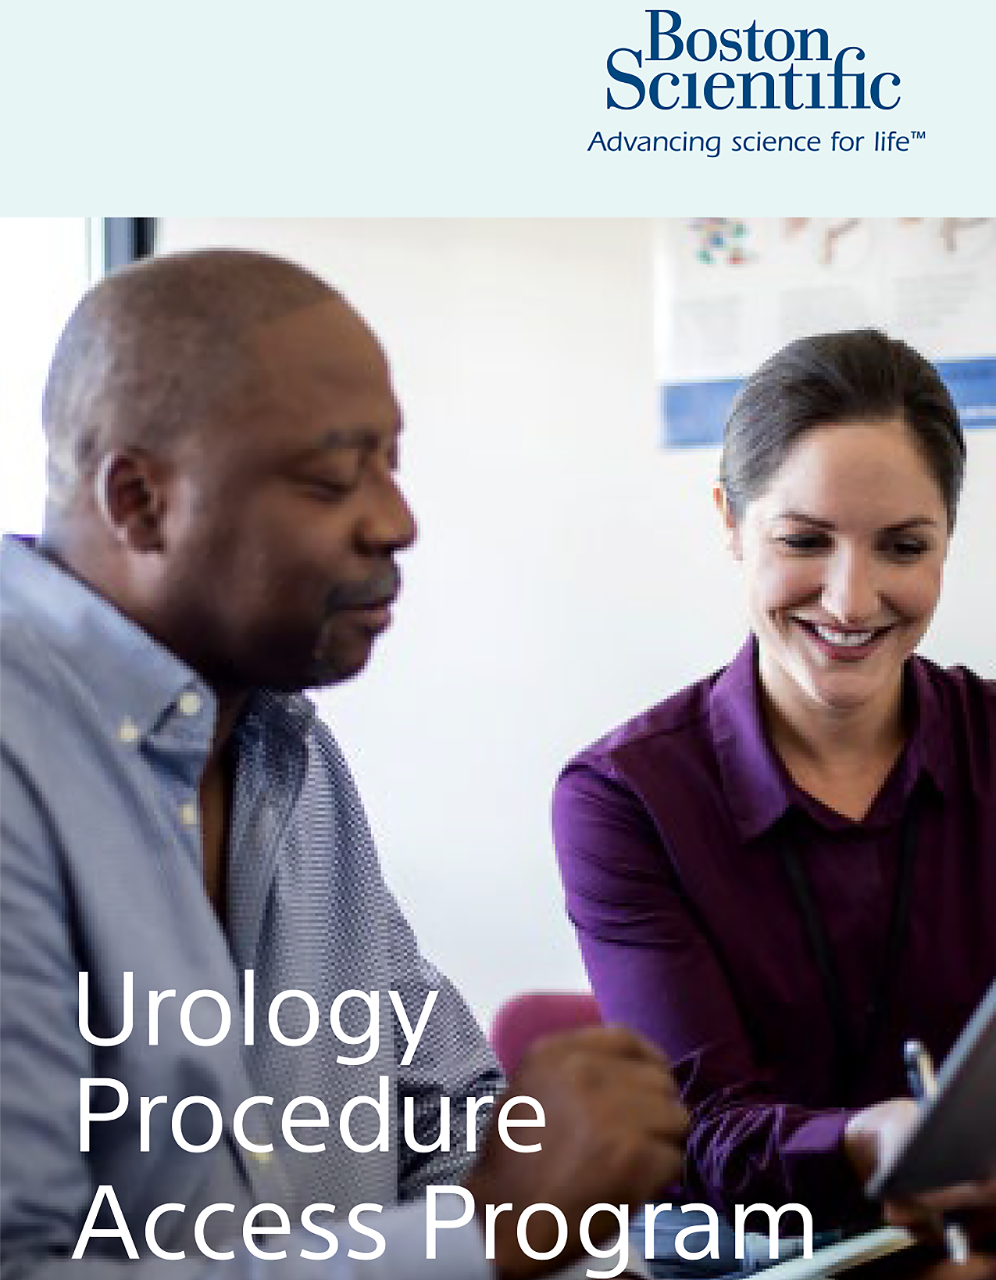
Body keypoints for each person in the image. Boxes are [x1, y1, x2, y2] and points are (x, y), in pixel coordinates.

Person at [0, 246, 688, 1277]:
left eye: (390, 463)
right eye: (331, 479)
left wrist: (571, 1210)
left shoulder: (288, 753)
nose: (396, 522)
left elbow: (446, 1121)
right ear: (138, 501)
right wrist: (487, 1233)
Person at [552, 329, 996, 1273]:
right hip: (739, 1244)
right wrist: (869, 1142)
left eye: (903, 547)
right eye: (804, 541)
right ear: (730, 519)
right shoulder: (626, 797)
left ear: (947, 539)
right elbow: (703, 1132)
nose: (851, 600)